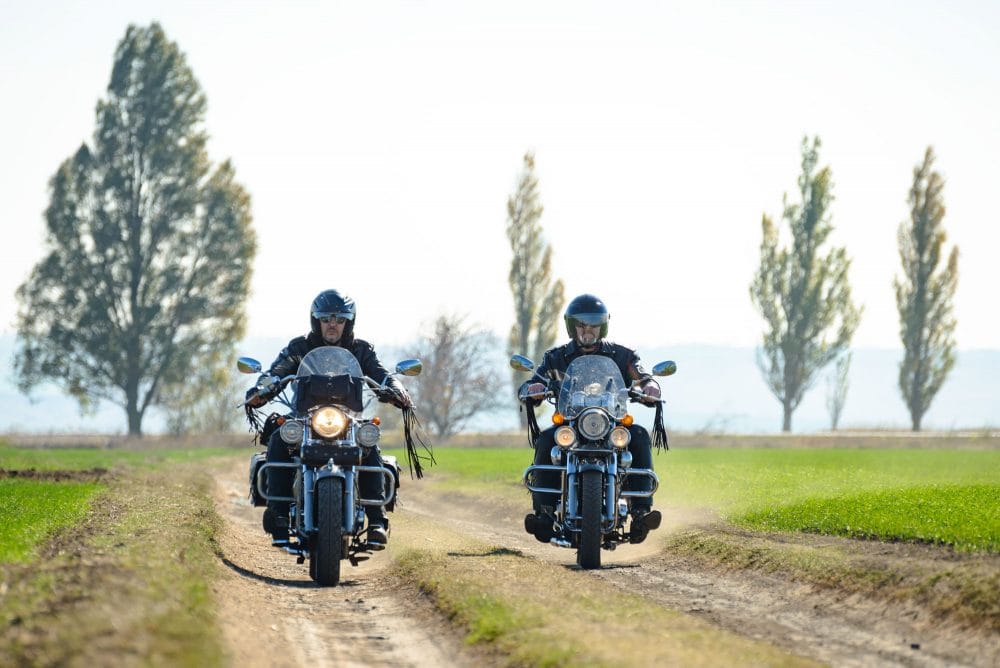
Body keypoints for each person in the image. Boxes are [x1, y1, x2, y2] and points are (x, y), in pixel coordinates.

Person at [246, 289, 411, 548]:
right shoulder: (299, 348)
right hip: (304, 416)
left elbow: (380, 374)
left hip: (347, 417)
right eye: (326, 319)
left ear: (348, 322)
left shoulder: (361, 349)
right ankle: (278, 514)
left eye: (339, 319)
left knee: (369, 444)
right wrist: (261, 388)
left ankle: (377, 522)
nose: (332, 324)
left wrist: (396, 388)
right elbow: (277, 371)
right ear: (316, 321)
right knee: (280, 437)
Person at [519, 293, 663, 544]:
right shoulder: (555, 357)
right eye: (582, 325)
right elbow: (536, 381)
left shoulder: (622, 356)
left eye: (593, 324)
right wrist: (533, 389)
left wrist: (649, 387)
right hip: (571, 424)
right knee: (545, 439)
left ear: (602, 326)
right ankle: (544, 512)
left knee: (638, 435)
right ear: (572, 326)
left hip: (612, 424)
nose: (587, 330)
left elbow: (640, 375)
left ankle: (641, 512)